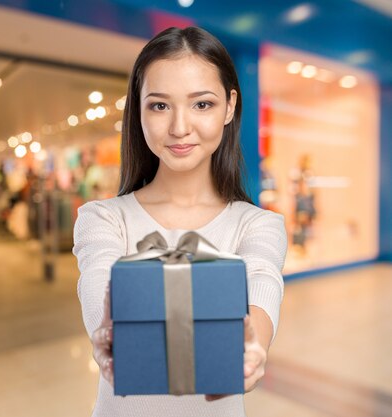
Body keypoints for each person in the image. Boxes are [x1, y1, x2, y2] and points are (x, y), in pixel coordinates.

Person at [73, 26, 287, 416]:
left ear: (230, 107)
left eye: (201, 104)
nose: (179, 127)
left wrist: (253, 345)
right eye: (159, 105)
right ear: (137, 111)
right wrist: (107, 331)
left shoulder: (257, 225)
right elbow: (98, 283)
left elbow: (261, 278)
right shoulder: (102, 219)